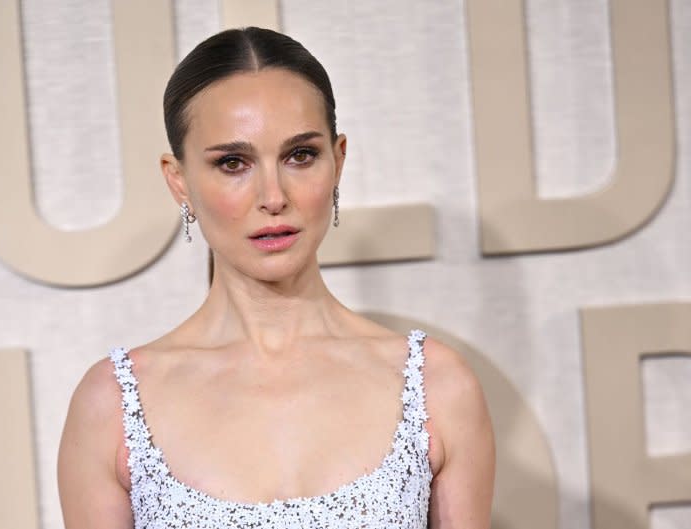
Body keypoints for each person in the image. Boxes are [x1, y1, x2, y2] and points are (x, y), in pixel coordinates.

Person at [57, 26, 494, 528]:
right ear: (179, 181)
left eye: (300, 155)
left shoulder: (437, 387)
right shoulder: (110, 405)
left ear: (338, 161)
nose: (273, 196)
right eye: (233, 163)